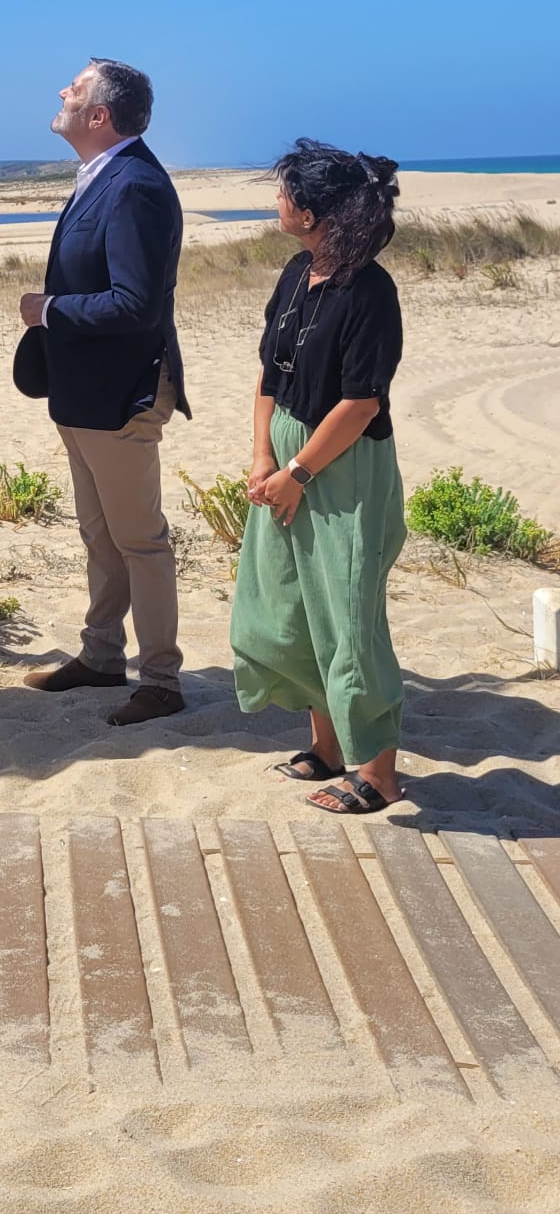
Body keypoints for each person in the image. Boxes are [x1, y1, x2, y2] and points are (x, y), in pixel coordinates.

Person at [231, 140, 407, 814]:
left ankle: (379, 774)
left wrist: (299, 471)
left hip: (342, 467)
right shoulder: (296, 273)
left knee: (348, 617)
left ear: (311, 210)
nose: (277, 201)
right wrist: (262, 459)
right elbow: (269, 376)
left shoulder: (370, 290)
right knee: (281, 610)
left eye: (283, 192)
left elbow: (362, 402)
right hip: (285, 464)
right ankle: (327, 747)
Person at [17, 59, 190, 724]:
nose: (61, 90)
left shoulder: (136, 186)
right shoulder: (103, 176)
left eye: (75, 87)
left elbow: (136, 305)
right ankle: (101, 656)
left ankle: (163, 680)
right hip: (82, 395)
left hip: (121, 395)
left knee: (140, 540)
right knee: (101, 536)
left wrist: (52, 310)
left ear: (100, 116)